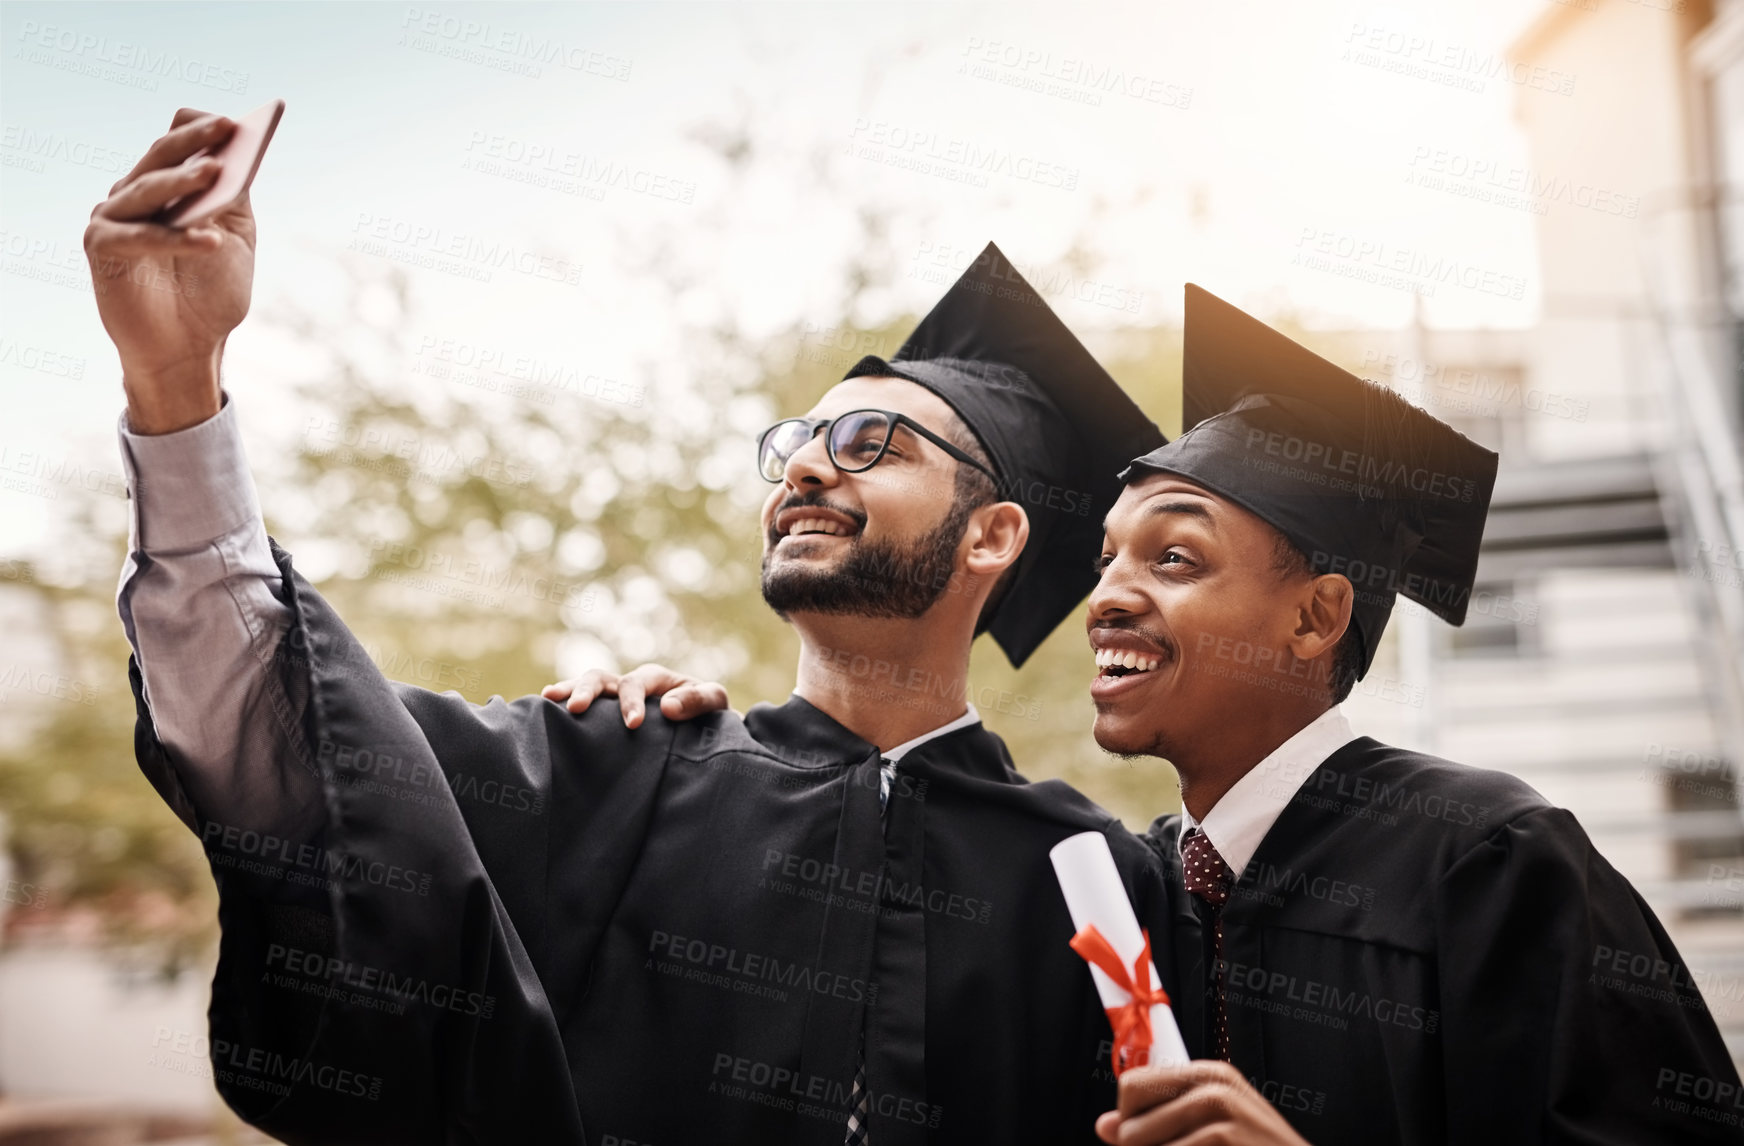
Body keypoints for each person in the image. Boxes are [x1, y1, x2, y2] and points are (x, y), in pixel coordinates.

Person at [87, 109, 1172, 1145]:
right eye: (797, 441)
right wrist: (178, 384)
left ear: (990, 538)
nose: (803, 464)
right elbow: (287, 747)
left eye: (871, 442)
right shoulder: (601, 769)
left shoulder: (1092, 877)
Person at [1083, 286, 1742, 1144]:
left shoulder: (1493, 867)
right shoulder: (1132, 895)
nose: (1106, 598)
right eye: (1105, 559)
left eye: (1174, 556)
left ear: (1315, 618)